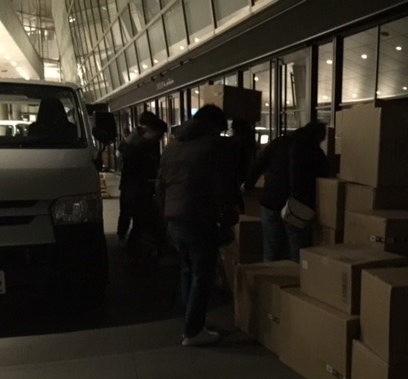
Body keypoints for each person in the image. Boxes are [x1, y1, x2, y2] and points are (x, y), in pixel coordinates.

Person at [156, 105, 239, 347]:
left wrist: (165, 215)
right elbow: (223, 186)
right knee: (202, 274)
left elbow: (161, 185)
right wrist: (228, 216)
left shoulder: (172, 147)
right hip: (198, 218)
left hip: (174, 219)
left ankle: (191, 323)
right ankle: (193, 331)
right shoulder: (213, 146)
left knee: (188, 269)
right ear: (213, 126)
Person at [243, 121, 328, 262]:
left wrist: (248, 186)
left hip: (272, 201)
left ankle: (269, 275)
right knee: (296, 252)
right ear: (318, 136)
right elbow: (324, 180)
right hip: (297, 207)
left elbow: (258, 165)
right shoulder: (316, 152)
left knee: (271, 249)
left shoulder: (278, 143)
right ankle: (294, 275)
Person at [118, 111, 168, 258]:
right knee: (140, 220)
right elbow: (146, 168)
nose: (160, 138)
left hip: (131, 187)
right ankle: (133, 249)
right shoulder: (142, 146)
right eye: (159, 134)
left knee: (132, 217)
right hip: (138, 189)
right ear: (151, 130)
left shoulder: (134, 142)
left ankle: (127, 243)